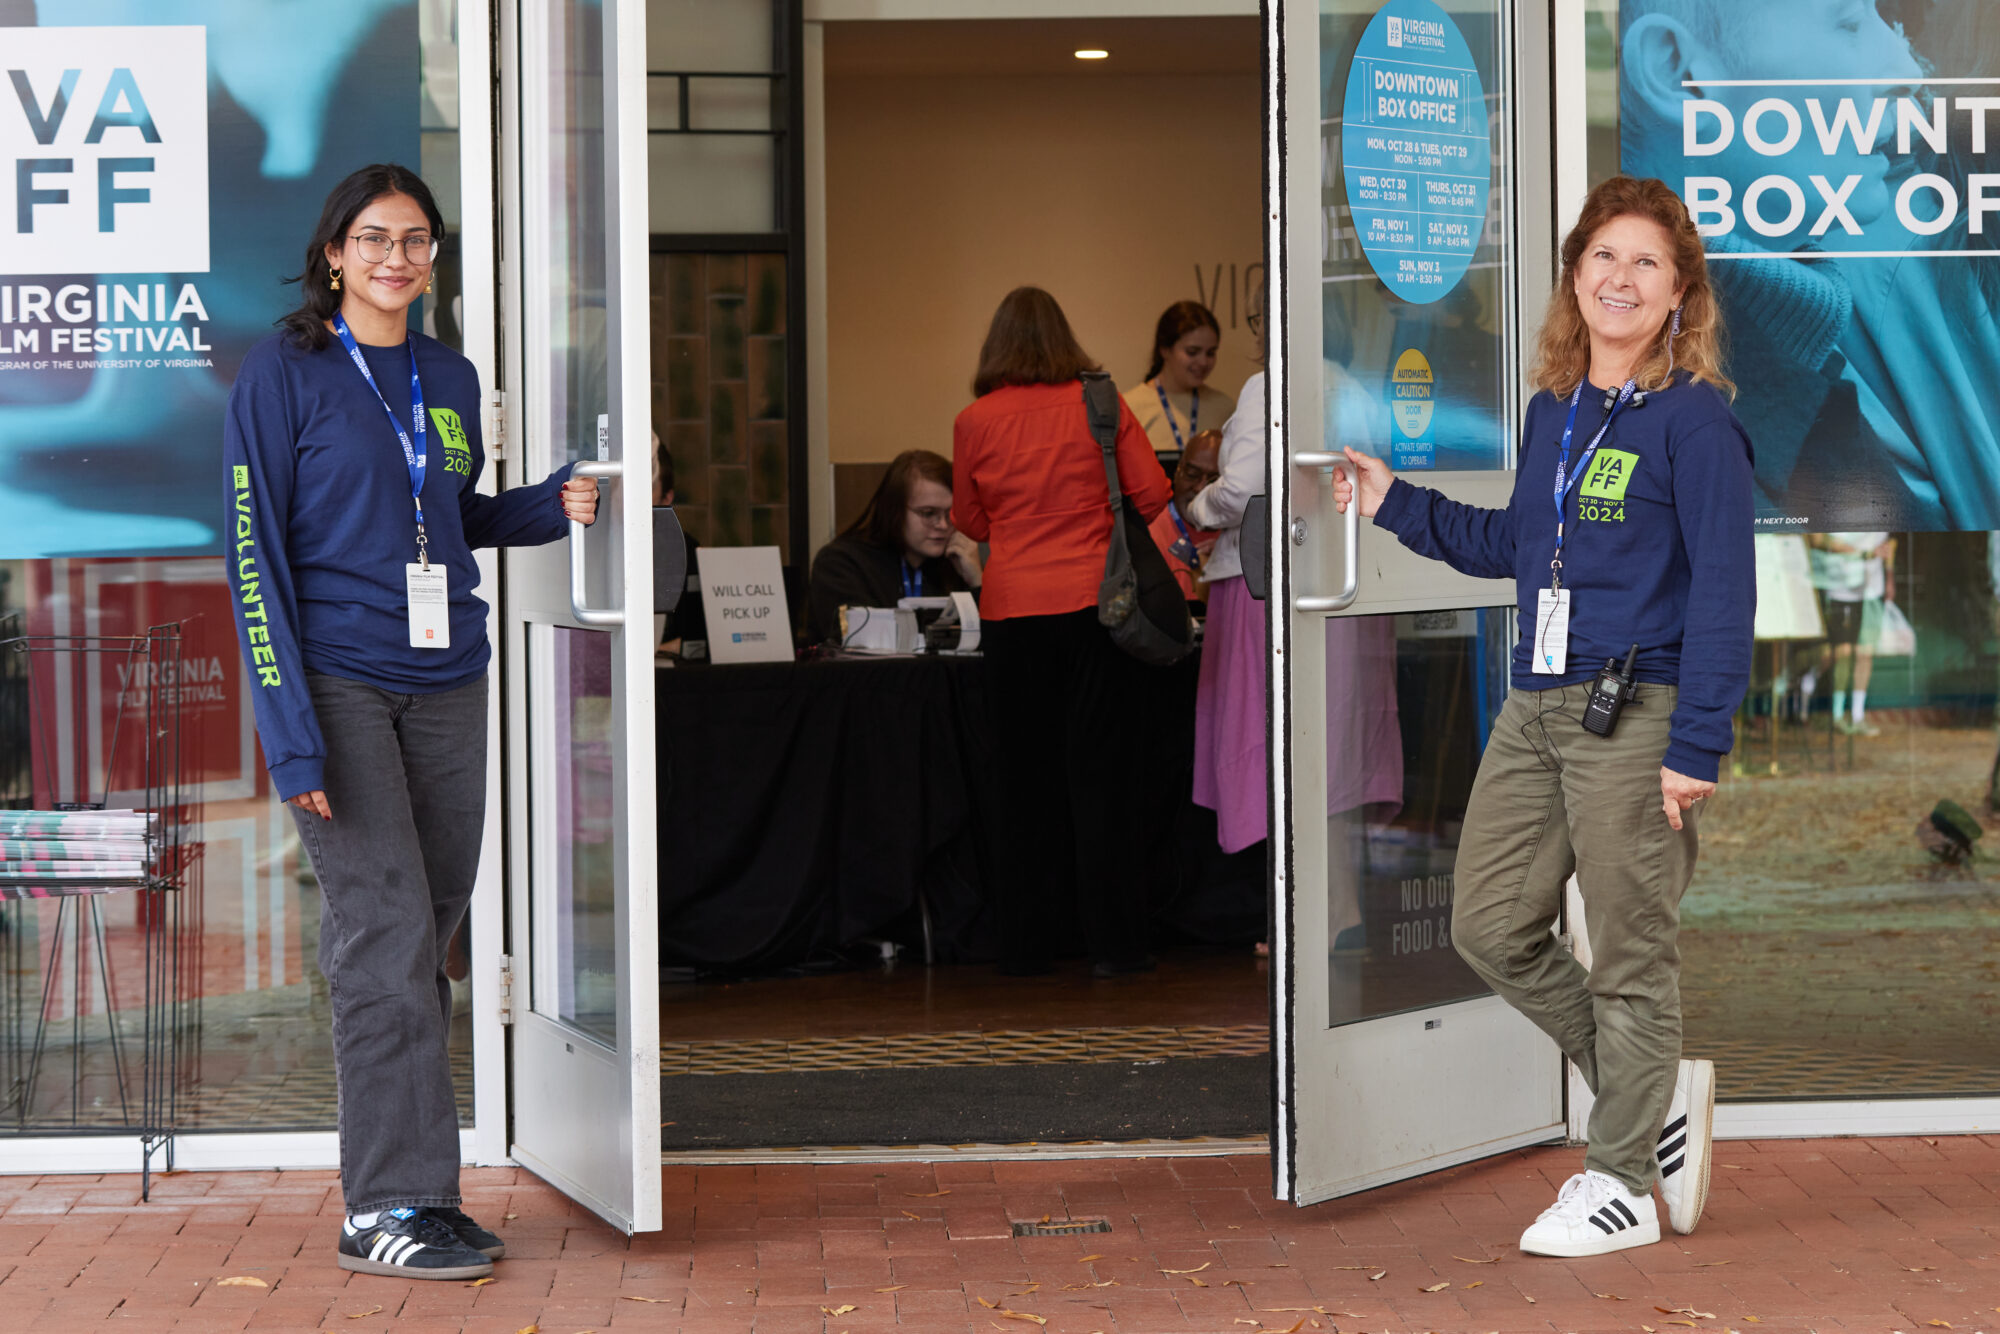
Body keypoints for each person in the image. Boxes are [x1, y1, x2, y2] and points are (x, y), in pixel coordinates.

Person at [1335, 175, 1754, 1256]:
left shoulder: (1693, 421)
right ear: (1574, 275)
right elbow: (1516, 552)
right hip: (1536, 702)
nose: (1619, 278)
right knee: (1486, 923)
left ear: (1678, 294)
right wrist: (1394, 502)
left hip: (1637, 708)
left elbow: (1721, 589)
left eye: (1645, 263)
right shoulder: (1555, 408)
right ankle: (1647, 1093)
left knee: (1627, 953)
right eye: (1602, 257)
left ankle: (1616, 1181)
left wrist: (1694, 740)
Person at [225, 164, 598, 1282]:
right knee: (382, 938)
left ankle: (423, 1197)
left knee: (423, 933)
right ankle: (382, 1203)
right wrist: (290, 734)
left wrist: (553, 502)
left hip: (448, 680)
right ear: (333, 251)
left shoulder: (447, 372)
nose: (398, 258)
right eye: (375, 238)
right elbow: (256, 560)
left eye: (418, 240)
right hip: (339, 682)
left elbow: (451, 514)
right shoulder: (283, 371)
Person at [952, 287, 1172, 977]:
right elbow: (1153, 496)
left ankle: (1029, 944)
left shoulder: (974, 420)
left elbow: (969, 517)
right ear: (1064, 338)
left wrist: (1016, 532)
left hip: (1013, 611)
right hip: (1097, 608)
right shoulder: (1099, 400)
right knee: (1103, 778)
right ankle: (1115, 946)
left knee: (1023, 780)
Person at [1186, 371, 1402, 956]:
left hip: (1273, 582)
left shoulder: (1269, 378)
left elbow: (1245, 486)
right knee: (1333, 750)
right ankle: (1340, 909)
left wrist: (1195, 504)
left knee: (1285, 751)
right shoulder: (1355, 385)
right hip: (1344, 576)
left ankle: (1309, 916)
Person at [805, 450, 981, 646]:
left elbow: (994, 645)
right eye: (928, 513)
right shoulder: (841, 563)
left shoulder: (956, 561)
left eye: (951, 514)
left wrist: (977, 582)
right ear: (894, 510)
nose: (942, 524)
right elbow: (858, 641)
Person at [1800, 532, 1895, 737]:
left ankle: (1857, 716)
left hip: (1871, 590)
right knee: (1840, 652)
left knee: (1865, 653)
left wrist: (1889, 575)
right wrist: (1865, 554)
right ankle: (1815, 691)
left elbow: (1888, 542)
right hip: (1838, 587)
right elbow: (1817, 539)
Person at [1123, 301, 1235, 459]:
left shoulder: (1225, 408)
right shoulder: (1130, 407)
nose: (1203, 362)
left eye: (1210, 353)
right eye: (1192, 352)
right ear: (1165, 350)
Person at [1149, 429, 1221, 601]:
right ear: (1177, 472)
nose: (1200, 488)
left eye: (1214, 481)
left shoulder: (1245, 539)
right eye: (1192, 475)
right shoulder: (1149, 536)